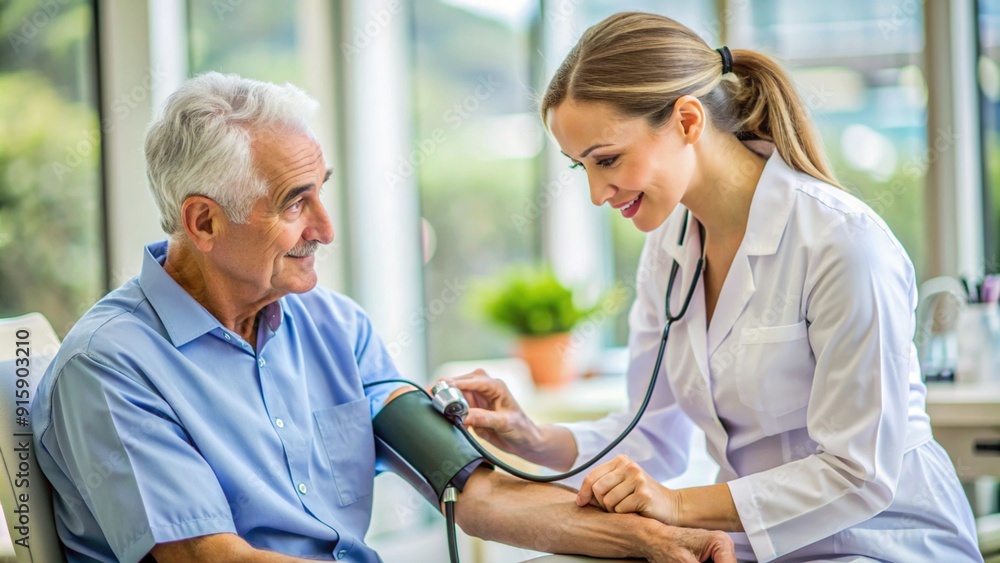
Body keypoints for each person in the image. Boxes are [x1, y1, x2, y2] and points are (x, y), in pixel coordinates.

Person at [31, 71, 735, 563]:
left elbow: (475, 492)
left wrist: (649, 541)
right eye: (295, 202)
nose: (327, 229)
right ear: (204, 221)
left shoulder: (334, 328)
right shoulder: (111, 365)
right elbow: (209, 556)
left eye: (323, 192)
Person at [449, 12, 983, 563]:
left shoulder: (841, 243)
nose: (597, 192)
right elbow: (653, 437)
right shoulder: (668, 250)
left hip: (883, 542)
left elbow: (860, 473)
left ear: (686, 120)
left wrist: (677, 507)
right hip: (751, 545)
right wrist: (534, 439)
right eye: (579, 167)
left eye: (607, 159)